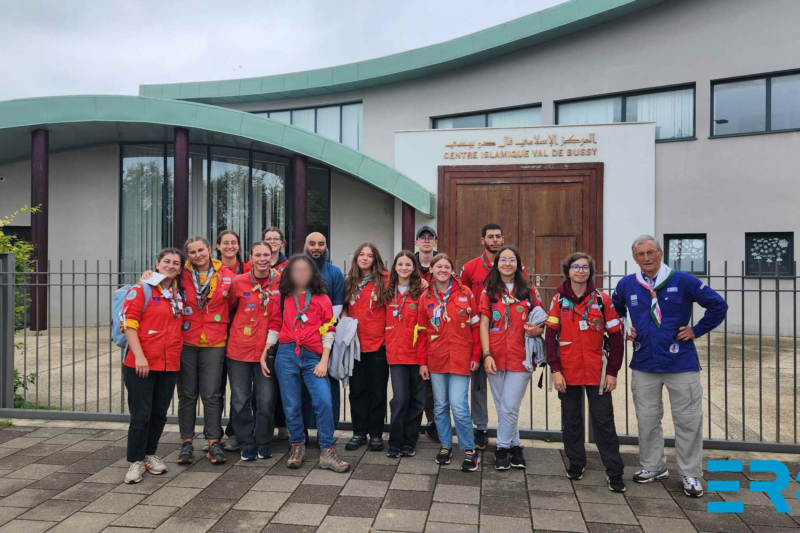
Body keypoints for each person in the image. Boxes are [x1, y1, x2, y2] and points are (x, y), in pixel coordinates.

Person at [612, 235, 727, 498]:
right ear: (634, 258)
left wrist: (696, 330)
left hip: (680, 362)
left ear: (661, 254)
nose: (647, 258)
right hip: (643, 362)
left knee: (688, 421)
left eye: (651, 252)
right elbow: (614, 309)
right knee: (647, 419)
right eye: (641, 254)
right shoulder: (627, 284)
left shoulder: (683, 280)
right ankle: (653, 466)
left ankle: (690, 473)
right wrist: (624, 325)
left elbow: (718, 306)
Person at [546, 252, 626, 493]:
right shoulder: (558, 300)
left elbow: (616, 336)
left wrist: (612, 371)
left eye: (585, 267)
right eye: (575, 267)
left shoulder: (602, 299)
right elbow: (550, 337)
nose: (580, 270)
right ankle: (576, 464)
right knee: (571, 420)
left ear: (590, 271)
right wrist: (555, 370)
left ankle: (614, 472)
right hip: (567, 370)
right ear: (567, 270)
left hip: (597, 371)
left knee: (604, 422)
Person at [263, 254, 350, 473]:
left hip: (313, 357)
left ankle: (327, 451)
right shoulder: (282, 298)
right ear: (289, 274)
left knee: (324, 401)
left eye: (305, 270)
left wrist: (324, 361)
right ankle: (297, 445)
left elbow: (329, 330)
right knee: (291, 404)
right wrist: (265, 351)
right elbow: (274, 325)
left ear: (313, 273)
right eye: (296, 270)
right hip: (286, 355)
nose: (301, 274)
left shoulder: (322, 299)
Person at [120, 248, 186, 484]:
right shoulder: (142, 289)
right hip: (142, 363)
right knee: (141, 415)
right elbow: (128, 323)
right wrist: (139, 356)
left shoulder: (178, 293)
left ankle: (150, 454)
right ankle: (135, 461)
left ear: (180, 269)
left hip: (169, 363)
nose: (170, 265)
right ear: (157, 264)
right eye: (166, 261)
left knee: (158, 414)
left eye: (176, 263)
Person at [459, 223, 525, 450]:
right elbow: (461, 294)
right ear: (482, 240)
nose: (495, 240)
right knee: (478, 386)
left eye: (498, 236)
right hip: (476, 332)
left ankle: (507, 438)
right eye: (490, 237)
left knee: (505, 393)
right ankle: (481, 428)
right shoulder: (469, 267)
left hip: (506, 336)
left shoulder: (514, 265)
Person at [479, 245, 543, 471]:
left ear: (518, 264)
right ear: (497, 264)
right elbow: (484, 324)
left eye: (511, 259)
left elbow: (541, 321)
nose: (507, 263)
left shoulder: (530, 291)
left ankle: (502, 448)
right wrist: (486, 354)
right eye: (503, 259)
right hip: (495, 356)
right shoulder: (488, 291)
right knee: (503, 406)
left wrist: (538, 330)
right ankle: (516, 446)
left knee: (509, 405)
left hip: (521, 357)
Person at [418, 253, 482, 472]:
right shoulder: (425, 296)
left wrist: (476, 356)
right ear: (432, 271)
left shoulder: (466, 293)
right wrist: (422, 363)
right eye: (439, 266)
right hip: (436, 358)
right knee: (440, 405)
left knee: (459, 406)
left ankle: (469, 449)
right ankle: (446, 445)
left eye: (447, 266)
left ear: (452, 270)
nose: (443, 270)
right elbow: (422, 331)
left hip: (461, 358)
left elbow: (475, 328)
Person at [176, 236, 234, 466]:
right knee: (187, 394)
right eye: (192, 252)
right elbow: (156, 281)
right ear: (187, 255)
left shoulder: (227, 275)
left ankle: (213, 441)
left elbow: (237, 301)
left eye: (201, 250)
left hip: (215, 340)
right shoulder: (180, 274)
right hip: (187, 341)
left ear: (210, 250)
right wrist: (147, 275)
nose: (198, 255)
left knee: (211, 394)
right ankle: (186, 442)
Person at [226, 241, 280, 461]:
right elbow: (228, 308)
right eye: (258, 254)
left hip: (267, 350)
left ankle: (263, 441)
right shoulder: (239, 282)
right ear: (251, 257)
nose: (262, 259)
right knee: (240, 399)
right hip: (239, 349)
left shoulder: (280, 281)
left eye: (266, 254)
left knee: (266, 399)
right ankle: (245, 441)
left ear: (272, 256)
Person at [342, 243, 390, 452]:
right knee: (357, 391)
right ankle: (359, 433)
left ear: (375, 259)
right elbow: (343, 307)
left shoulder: (385, 280)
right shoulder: (350, 281)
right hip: (355, 346)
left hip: (378, 344)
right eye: (361, 254)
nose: (365, 258)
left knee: (377, 391)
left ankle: (377, 434)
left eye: (369, 255)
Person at [385, 251, 426, 458]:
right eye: (400, 264)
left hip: (418, 354)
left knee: (418, 400)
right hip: (397, 354)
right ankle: (395, 441)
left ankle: (410, 441)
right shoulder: (387, 291)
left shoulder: (422, 292)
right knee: (400, 399)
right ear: (394, 267)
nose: (403, 267)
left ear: (413, 267)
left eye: (407, 264)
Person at [214, 229, 252, 450]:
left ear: (239, 246)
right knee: (215, 388)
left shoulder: (249, 270)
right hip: (214, 337)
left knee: (240, 390)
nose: (230, 246)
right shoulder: (210, 270)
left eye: (234, 242)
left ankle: (235, 432)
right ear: (218, 246)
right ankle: (213, 434)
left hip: (242, 338)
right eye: (225, 242)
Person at [304, 231, 345, 433]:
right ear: (305, 246)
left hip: (327, 337)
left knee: (328, 387)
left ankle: (326, 432)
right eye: (312, 243)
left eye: (321, 244)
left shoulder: (334, 272)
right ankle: (301, 432)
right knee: (302, 388)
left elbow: (338, 304)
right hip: (301, 339)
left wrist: (324, 328)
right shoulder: (296, 270)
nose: (316, 247)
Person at [414, 226, 438, 440]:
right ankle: (410, 424)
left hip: (435, 332)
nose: (427, 241)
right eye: (423, 238)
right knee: (413, 382)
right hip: (409, 332)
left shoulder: (441, 266)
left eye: (431, 238)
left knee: (433, 383)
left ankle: (433, 422)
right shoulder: (407, 265)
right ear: (417, 242)